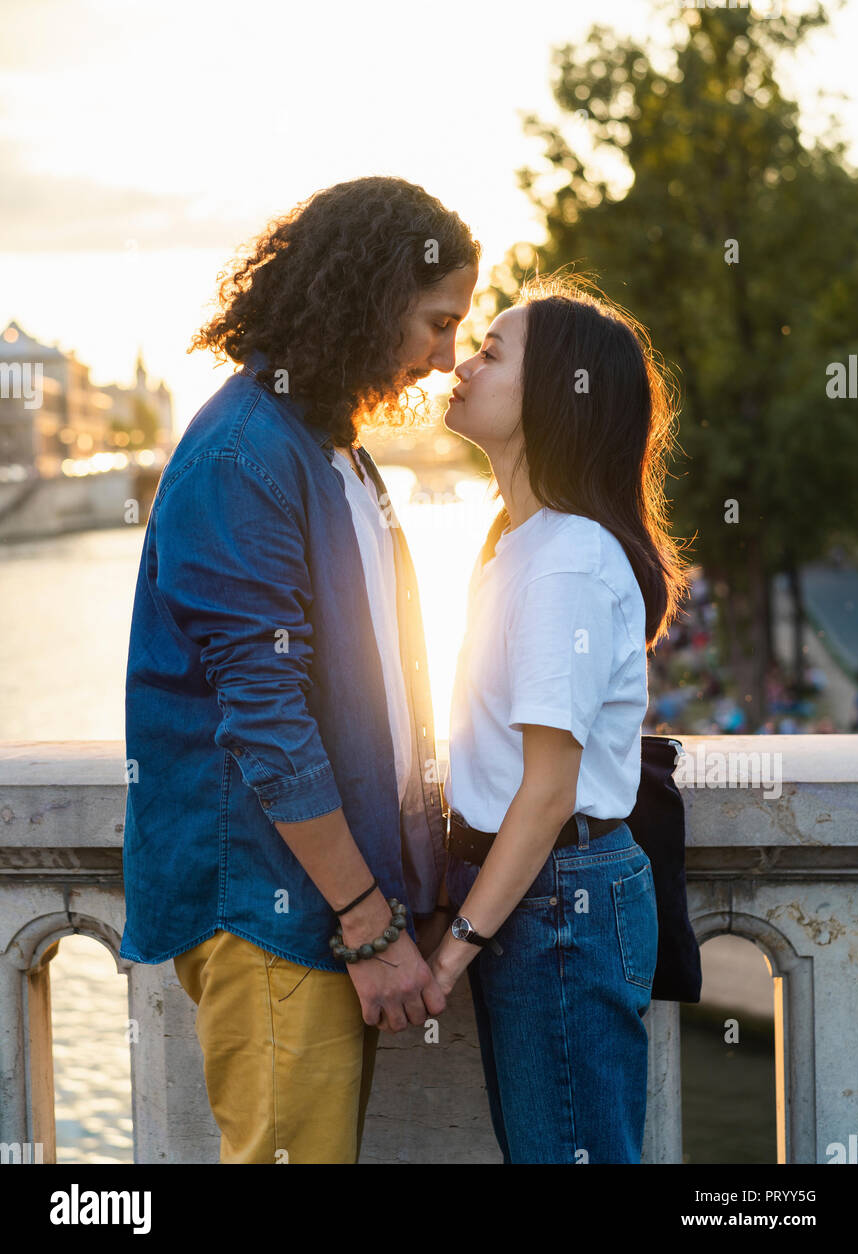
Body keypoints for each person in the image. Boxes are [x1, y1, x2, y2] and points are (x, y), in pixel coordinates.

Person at [119, 175, 479, 1163]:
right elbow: (266, 717)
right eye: (437, 323)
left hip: (318, 902)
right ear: (370, 301)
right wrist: (368, 923)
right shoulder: (245, 452)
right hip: (275, 907)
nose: (447, 357)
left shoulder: (328, 445)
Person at [426, 275, 690, 1164]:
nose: (464, 362)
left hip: (557, 902)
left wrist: (456, 948)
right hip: (542, 897)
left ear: (555, 396)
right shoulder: (520, 540)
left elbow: (548, 790)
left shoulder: (566, 561)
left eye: (493, 352)